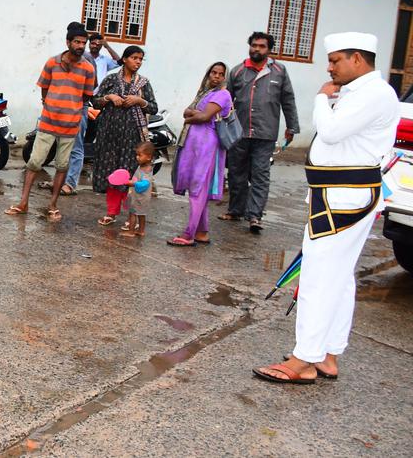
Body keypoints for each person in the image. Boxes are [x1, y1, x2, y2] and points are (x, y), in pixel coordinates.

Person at [253, 32, 397, 385]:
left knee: (319, 278)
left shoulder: (374, 94)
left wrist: (320, 99)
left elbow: (330, 132)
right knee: (337, 277)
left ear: (357, 60)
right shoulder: (359, 93)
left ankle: (304, 359)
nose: (329, 68)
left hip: (345, 198)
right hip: (337, 194)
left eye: (335, 60)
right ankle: (328, 354)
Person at [6, 22, 95, 222]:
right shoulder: (52, 63)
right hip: (48, 122)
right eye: (77, 42)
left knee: (62, 165)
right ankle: (23, 203)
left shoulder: (88, 69)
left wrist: (72, 111)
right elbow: (44, 87)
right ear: (68, 42)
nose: (81, 46)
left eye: (84, 43)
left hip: (71, 125)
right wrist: (49, 105)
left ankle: (53, 205)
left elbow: (86, 96)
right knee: (34, 162)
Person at [224, 32, 300, 234]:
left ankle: (255, 216)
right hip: (239, 131)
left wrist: (292, 127)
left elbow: (288, 100)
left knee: (260, 175)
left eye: (261, 46)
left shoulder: (279, 71)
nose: (257, 49)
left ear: (269, 49)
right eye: (254, 45)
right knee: (236, 173)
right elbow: (226, 99)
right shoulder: (238, 71)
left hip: (265, 133)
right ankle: (235, 210)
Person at [168, 62, 232, 247]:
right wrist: (194, 114)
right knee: (197, 188)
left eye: (221, 74)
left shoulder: (223, 94)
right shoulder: (205, 93)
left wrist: (193, 115)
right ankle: (202, 232)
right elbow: (186, 112)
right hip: (194, 145)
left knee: (198, 188)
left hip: (207, 147)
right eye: (213, 72)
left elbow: (203, 117)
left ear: (225, 77)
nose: (216, 76)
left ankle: (189, 234)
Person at [92, 46, 158, 224]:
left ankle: (132, 216)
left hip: (132, 137)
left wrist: (139, 100)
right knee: (113, 173)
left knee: (130, 176)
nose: (138, 62)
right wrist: (109, 98)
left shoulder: (143, 84)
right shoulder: (111, 80)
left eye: (141, 59)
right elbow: (95, 102)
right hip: (110, 135)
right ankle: (111, 213)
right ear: (125, 59)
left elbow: (153, 107)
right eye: (134, 58)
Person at [60, 32, 121, 194]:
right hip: (70, 102)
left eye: (97, 43)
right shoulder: (65, 59)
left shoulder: (99, 61)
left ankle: (71, 182)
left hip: (90, 99)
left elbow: (119, 62)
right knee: (67, 143)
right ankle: (62, 180)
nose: (94, 45)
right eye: (92, 42)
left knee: (82, 138)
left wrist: (107, 45)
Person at [120, 142, 155, 237]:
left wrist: (132, 183)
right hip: (141, 196)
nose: (137, 157)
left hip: (140, 197)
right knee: (141, 214)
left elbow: (145, 184)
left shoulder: (146, 170)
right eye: (137, 155)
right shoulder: (143, 166)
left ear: (148, 157)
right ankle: (141, 231)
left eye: (140, 155)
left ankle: (131, 232)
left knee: (133, 213)